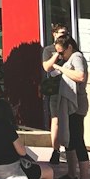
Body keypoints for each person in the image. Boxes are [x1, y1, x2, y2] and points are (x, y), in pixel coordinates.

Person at [52, 34, 90, 179]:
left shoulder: (77, 57)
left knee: (77, 139)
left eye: (61, 53)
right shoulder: (70, 58)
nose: (60, 56)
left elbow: (80, 76)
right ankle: (72, 174)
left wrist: (61, 69)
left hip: (77, 104)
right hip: (70, 104)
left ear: (69, 47)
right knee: (70, 141)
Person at [40, 25, 67, 165]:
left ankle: (69, 149)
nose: (63, 37)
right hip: (55, 89)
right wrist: (57, 53)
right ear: (54, 35)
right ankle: (55, 150)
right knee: (55, 119)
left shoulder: (71, 50)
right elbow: (46, 67)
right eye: (61, 34)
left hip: (69, 88)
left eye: (65, 34)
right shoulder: (49, 50)